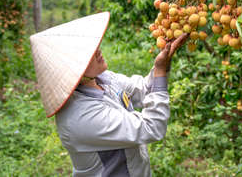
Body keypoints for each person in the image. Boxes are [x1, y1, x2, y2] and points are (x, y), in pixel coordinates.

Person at [29, 12, 187, 176]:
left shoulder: (103, 80)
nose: (97, 50)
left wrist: (164, 61)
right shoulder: (80, 117)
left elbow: (145, 89)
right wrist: (160, 71)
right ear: (74, 71)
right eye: (88, 53)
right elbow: (151, 127)